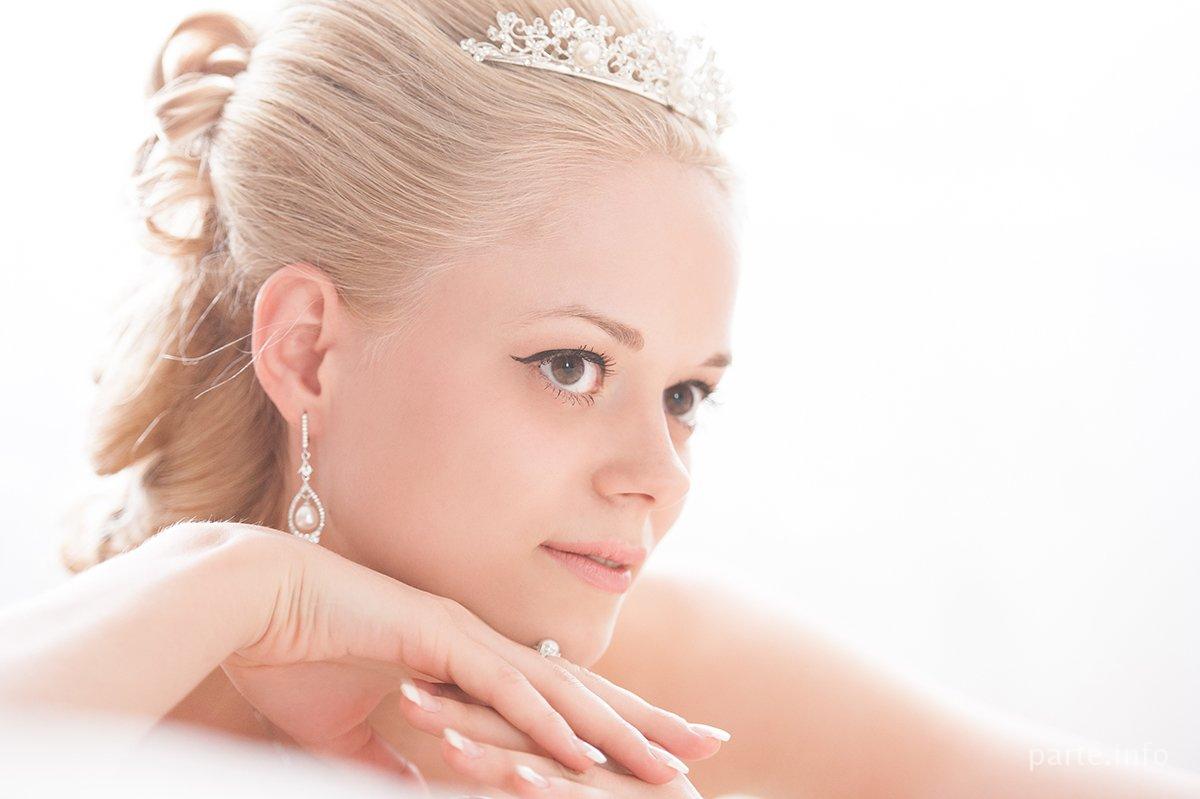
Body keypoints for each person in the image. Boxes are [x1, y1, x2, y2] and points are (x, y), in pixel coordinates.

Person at [1, 1, 1198, 797]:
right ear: (309, 352)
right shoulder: (94, 702)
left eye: (686, 393)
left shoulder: (674, 686)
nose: (661, 475)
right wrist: (234, 581)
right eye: (572, 366)